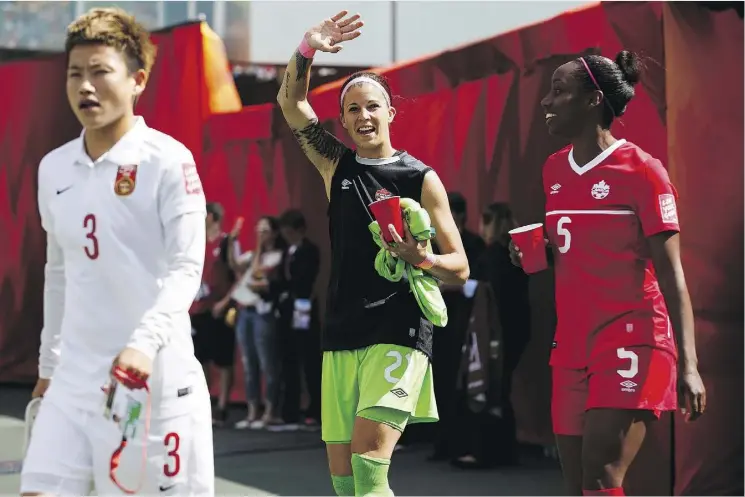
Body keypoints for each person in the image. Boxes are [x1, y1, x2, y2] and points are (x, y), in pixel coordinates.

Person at [22, 7, 214, 496]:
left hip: (153, 388)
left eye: (100, 72)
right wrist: (49, 368)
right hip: (72, 388)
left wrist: (143, 343)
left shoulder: (168, 161)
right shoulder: (53, 169)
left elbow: (187, 265)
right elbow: (59, 271)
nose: (85, 86)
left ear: (137, 81)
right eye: (74, 74)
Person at [277, 11, 469, 497]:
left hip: (397, 331)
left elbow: (459, 267)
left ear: (390, 113)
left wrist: (418, 257)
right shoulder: (335, 164)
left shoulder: (420, 179)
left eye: (373, 107)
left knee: (368, 467)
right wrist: (308, 48)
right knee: (344, 485)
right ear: (341, 120)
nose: (363, 117)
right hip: (341, 333)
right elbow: (291, 102)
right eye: (353, 110)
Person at [510, 51, 706, 496]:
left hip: (632, 336)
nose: (546, 101)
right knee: (578, 482)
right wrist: (534, 251)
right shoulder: (554, 168)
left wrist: (690, 365)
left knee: (601, 476)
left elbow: (672, 274)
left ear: (593, 100)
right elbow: (572, 249)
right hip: (572, 345)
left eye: (559, 91)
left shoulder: (644, 171)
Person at [229, 215, 286, 429]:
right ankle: (252, 410)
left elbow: (256, 276)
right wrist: (232, 242)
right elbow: (235, 264)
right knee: (248, 363)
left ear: (274, 232)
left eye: (265, 230)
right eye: (258, 230)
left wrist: (259, 249)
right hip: (246, 312)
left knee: (267, 363)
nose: (260, 234)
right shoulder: (254, 254)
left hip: (265, 313)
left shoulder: (277, 256)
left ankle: (270, 411)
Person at [190, 201, 237, 427]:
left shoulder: (227, 241)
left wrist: (227, 302)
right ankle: (206, 403)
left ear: (211, 216)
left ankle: (223, 406)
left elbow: (237, 275)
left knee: (223, 359)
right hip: (198, 308)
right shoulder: (197, 242)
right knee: (202, 358)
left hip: (220, 309)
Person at [275, 209, 323, 430]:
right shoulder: (286, 251)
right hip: (286, 308)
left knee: (309, 358)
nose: (286, 235)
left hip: (303, 306)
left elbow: (305, 279)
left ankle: (315, 409)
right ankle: (290, 411)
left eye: (290, 231)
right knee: (288, 358)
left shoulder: (309, 250)